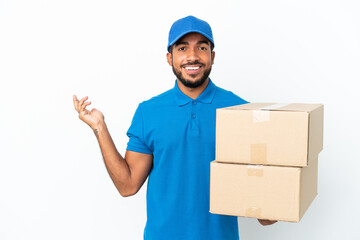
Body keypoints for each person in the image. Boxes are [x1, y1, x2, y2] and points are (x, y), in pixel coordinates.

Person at [73, 15, 276, 240]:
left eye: (201, 47)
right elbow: (127, 185)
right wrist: (99, 127)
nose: (192, 56)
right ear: (169, 58)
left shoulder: (242, 112)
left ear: (212, 56)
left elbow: (266, 215)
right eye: (182, 48)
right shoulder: (148, 112)